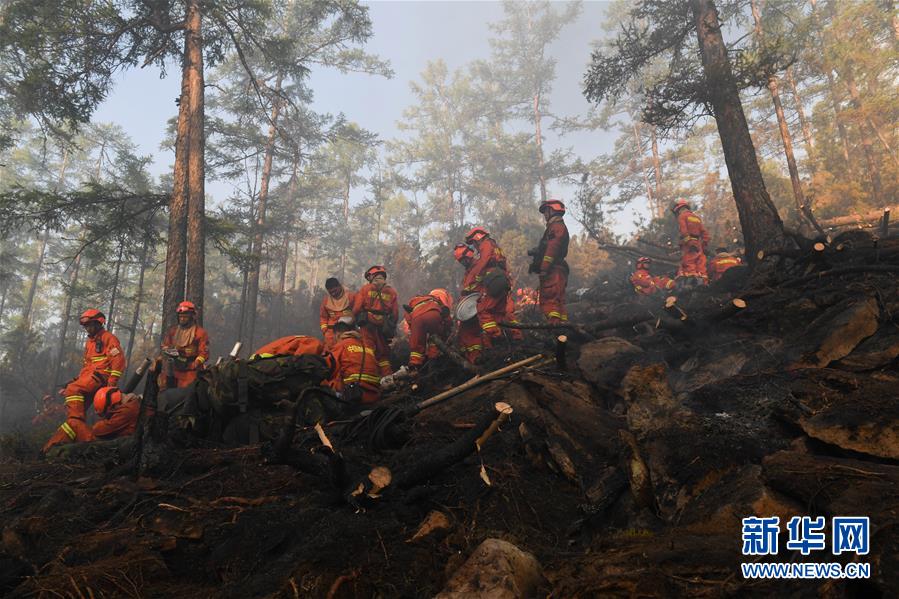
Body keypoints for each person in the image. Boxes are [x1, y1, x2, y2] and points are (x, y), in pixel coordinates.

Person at [43, 309, 125, 453]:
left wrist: (111, 384)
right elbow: (87, 367)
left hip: (101, 378)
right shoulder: (89, 343)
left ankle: (91, 444)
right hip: (90, 378)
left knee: (74, 392)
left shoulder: (109, 338)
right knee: (72, 420)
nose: (87, 328)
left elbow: (118, 360)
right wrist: (74, 381)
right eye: (85, 326)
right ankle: (48, 449)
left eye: (89, 325)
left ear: (98, 323)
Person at [465, 227, 512, 345]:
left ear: (477, 238)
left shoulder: (486, 244)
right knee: (497, 313)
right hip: (502, 280)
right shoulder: (495, 246)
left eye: (473, 243)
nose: (474, 246)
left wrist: (476, 278)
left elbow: (483, 262)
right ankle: (504, 341)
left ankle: (497, 336)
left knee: (483, 310)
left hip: (494, 280)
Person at [351, 265, 398, 376]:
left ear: (371, 276)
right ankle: (387, 377)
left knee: (368, 349)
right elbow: (395, 314)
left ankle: (370, 375)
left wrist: (354, 319)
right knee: (383, 353)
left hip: (367, 323)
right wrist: (390, 326)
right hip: (383, 326)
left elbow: (357, 308)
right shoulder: (392, 291)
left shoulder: (365, 289)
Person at [531, 199, 570, 323]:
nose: (544, 215)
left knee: (550, 301)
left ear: (552, 210)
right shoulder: (558, 227)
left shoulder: (556, 227)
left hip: (553, 270)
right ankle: (563, 328)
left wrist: (544, 267)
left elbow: (552, 248)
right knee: (559, 302)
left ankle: (553, 327)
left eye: (546, 212)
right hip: (558, 269)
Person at [329, 316, 382, 404]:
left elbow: (329, 369)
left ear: (337, 334)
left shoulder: (341, 346)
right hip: (375, 395)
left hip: (354, 396)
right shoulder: (366, 347)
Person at [160, 300, 209, 388]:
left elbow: (204, 353)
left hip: (191, 371)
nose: (182, 319)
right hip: (174, 369)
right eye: (180, 316)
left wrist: (195, 363)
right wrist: (167, 350)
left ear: (192, 317)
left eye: (185, 317)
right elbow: (165, 345)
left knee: (188, 392)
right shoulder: (173, 331)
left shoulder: (200, 333)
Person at [404, 288, 453, 371]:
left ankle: (414, 366)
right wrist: (448, 328)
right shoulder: (435, 299)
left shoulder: (413, 302)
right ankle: (434, 359)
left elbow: (408, 318)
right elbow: (446, 316)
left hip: (417, 318)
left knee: (417, 345)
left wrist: (414, 329)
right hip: (433, 314)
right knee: (435, 339)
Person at [454, 243, 484, 364]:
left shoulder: (479, 267)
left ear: (469, 255)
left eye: (463, 260)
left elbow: (481, 287)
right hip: (470, 308)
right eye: (460, 261)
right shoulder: (468, 272)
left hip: (478, 305)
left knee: (473, 332)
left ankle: (477, 358)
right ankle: (468, 358)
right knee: (463, 333)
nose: (463, 263)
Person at [671, 199, 710, 286]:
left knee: (689, 264)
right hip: (698, 244)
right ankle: (704, 285)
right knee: (701, 264)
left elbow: (684, 231)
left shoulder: (682, 216)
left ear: (679, 209)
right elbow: (705, 233)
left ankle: (692, 285)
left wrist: (689, 243)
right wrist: (704, 245)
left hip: (689, 245)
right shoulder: (696, 217)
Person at [319, 277, 354, 349]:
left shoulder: (350, 296)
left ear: (339, 286)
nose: (333, 293)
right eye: (331, 292)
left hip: (347, 330)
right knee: (329, 351)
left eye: (335, 290)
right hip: (330, 333)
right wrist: (325, 330)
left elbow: (357, 311)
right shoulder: (326, 301)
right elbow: (323, 317)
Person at [250, 335, 325, 360]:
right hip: (263, 360)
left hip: (259, 358)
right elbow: (300, 363)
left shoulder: (308, 340)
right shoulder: (315, 344)